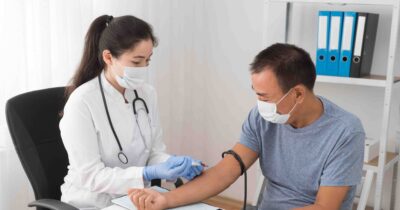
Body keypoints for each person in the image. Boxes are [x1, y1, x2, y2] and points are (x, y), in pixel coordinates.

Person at [128, 43, 365, 210]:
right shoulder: (263, 118)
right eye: (256, 94)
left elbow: (326, 206)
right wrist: (166, 200)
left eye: (265, 97)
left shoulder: (345, 132)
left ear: (298, 94)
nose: (259, 104)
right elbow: (227, 171)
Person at [59, 15, 204, 209]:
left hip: (137, 199)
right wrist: (147, 173)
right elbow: (92, 176)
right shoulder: (82, 102)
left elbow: (154, 153)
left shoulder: (146, 94)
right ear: (108, 57)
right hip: (92, 203)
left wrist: (174, 163)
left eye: (148, 60)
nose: (144, 68)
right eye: (136, 62)